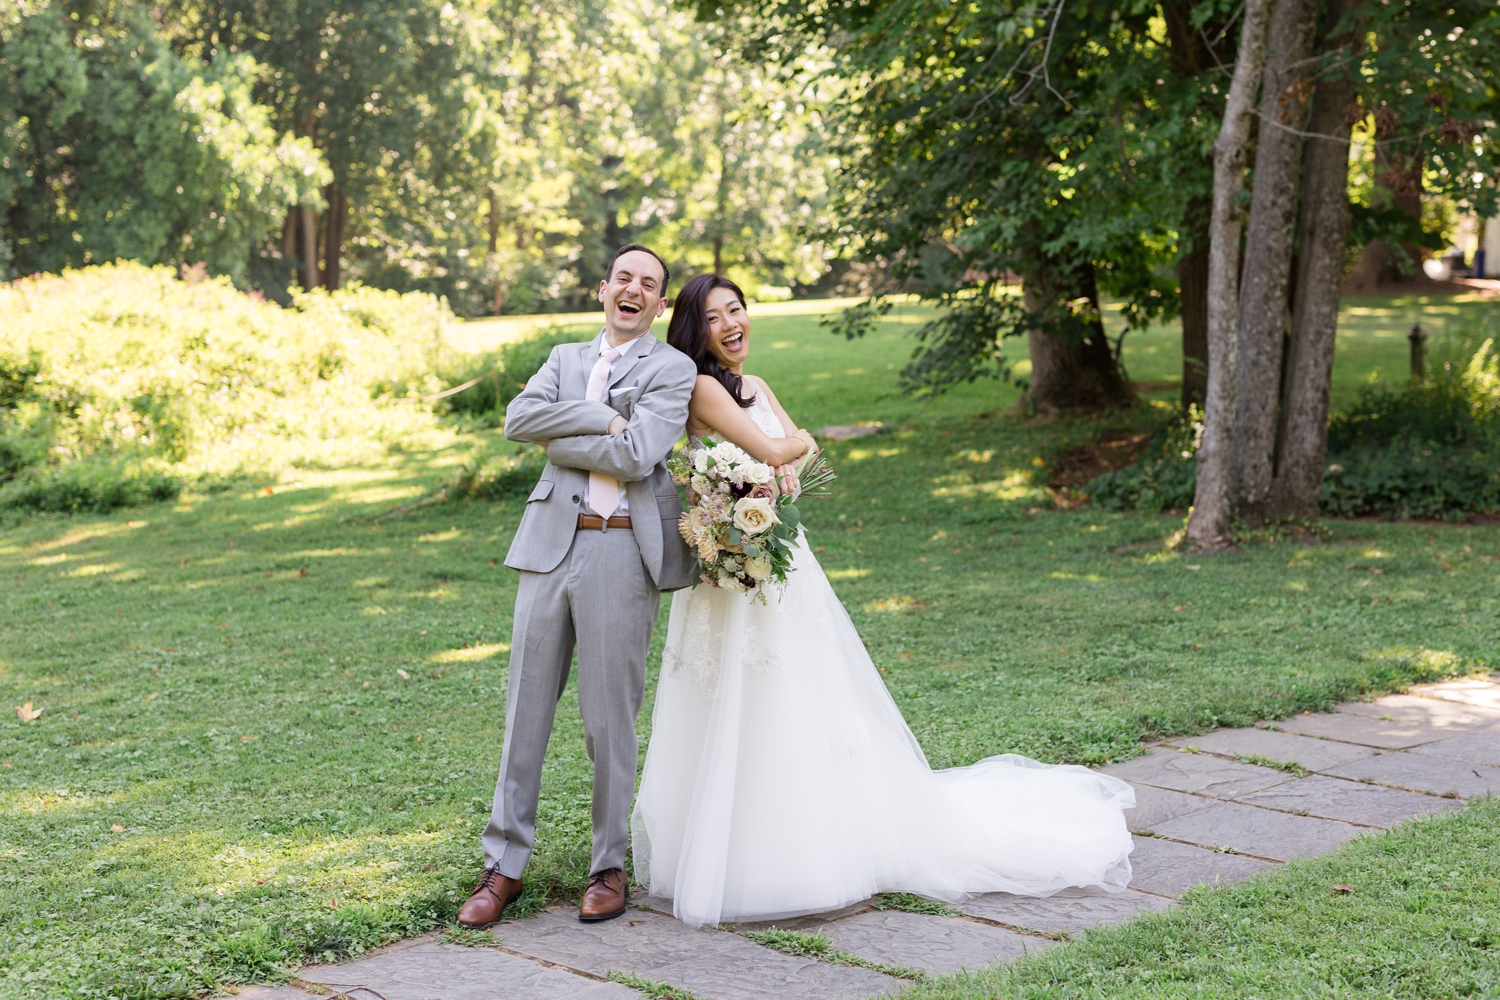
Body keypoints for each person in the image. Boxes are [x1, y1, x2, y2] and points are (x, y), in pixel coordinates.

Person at [631, 274, 1137, 929]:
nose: (732, 324)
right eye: (714, 316)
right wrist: (781, 459)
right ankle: (732, 847)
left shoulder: (757, 387)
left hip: (775, 559)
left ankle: (810, 844)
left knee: (794, 699)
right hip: (729, 570)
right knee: (727, 701)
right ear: (693, 332)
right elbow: (781, 448)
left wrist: (779, 467)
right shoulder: (702, 387)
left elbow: (793, 469)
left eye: (738, 310)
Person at [457, 245, 699, 928]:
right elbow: (516, 421)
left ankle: (608, 865)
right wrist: (601, 413)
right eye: (624, 278)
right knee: (523, 714)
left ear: (658, 304)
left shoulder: (673, 369)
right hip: (545, 548)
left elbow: (636, 455)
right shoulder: (565, 359)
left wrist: (571, 425)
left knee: (607, 722)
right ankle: (503, 867)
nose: (634, 290)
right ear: (604, 289)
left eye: (649, 285)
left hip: (622, 550)